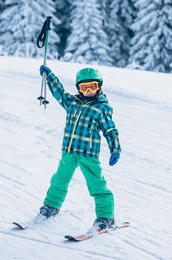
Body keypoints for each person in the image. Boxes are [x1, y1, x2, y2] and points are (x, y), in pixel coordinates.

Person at [38, 65, 121, 231]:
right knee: (59, 180)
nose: (89, 90)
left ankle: (106, 217)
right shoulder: (72, 103)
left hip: (88, 154)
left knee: (97, 185)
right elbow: (59, 92)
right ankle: (51, 206)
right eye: (84, 87)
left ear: (99, 86)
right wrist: (49, 76)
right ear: (79, 88)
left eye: (93, 86)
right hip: (69, 151)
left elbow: (110, 130)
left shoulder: (102, 108)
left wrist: (115, 149)